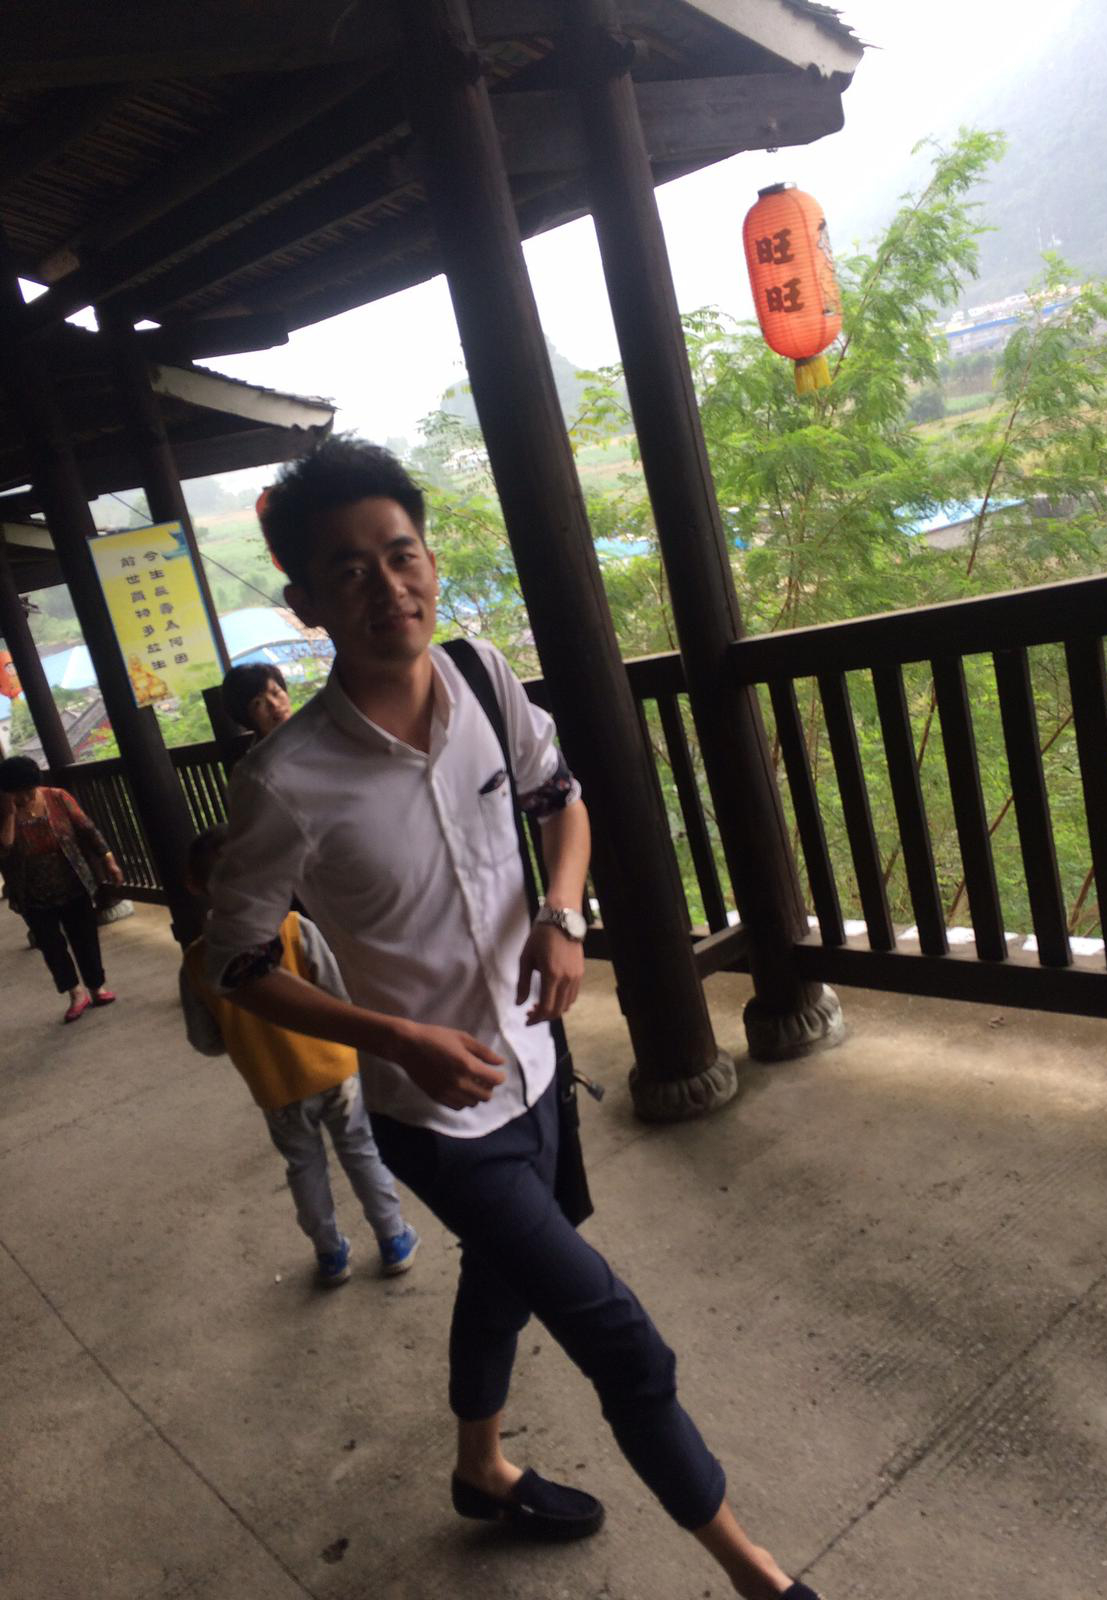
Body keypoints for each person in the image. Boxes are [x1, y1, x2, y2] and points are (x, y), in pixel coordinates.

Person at [204, 437, 821, 1600]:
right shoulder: (287, 778)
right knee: (620, 1337)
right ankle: (758, 1574)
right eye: (349, 571)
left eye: (402, 555)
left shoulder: (485, 679)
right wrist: (393, 1037)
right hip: (435, 1117)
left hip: (539, 1068)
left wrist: (561, 913)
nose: (389, 587)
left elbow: (561, 802)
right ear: (305, 605)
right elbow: (232, 963)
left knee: (505, 1269)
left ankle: (480, 1468)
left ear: (430, 561)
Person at [180, 824, 419, 1287]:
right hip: (336, 1069)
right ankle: (393, 1238)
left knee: (304, 1166)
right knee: (361, 1151)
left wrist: (246, 1039)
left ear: (194, 884)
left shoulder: (196, 962)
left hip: (275, 1087)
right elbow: (338, 995)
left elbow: (205, 1040)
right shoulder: (293, 929)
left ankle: (330, 1254)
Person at [0, 755, 123, 1023]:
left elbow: (88, 829)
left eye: (27, 790)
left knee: (85, 936)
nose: (23, 797)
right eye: (16, 792)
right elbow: (4, 850)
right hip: (30, 891)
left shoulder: (57, 797)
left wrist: (108, 860)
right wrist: (9, 813)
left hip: (71, 880)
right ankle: (75, 993)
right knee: (51, 945)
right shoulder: (3, 811)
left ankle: (96, 987)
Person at [221, 661, 292, 741]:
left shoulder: (303, 727)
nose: (274, 704)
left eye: (275, 693)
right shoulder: (264, 749)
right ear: (246, 718)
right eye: (258, 703)